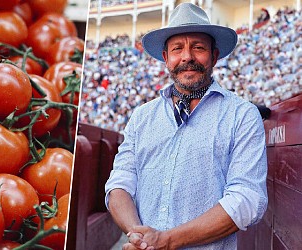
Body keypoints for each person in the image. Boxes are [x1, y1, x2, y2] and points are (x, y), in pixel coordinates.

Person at [104, 3, 268, 250]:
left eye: (198, 48)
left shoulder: (241, 115)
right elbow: (120, 183)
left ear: (213, 56)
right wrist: (140, 238)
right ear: (166, 58)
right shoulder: (142, 117)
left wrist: (166, 241)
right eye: (177, 48)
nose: (187, 57)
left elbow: (246, 199)